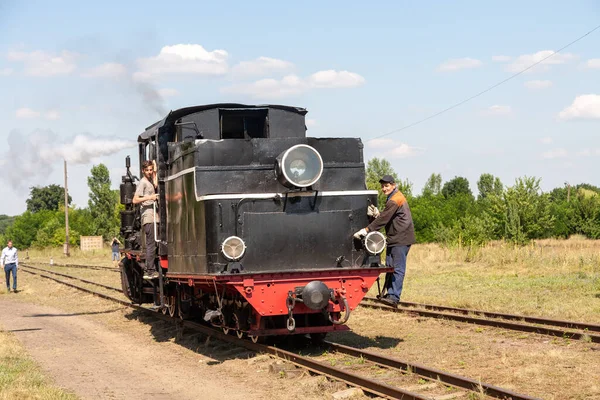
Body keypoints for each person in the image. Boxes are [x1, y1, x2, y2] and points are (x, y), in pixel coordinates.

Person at [354, 175, 415, 307]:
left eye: (386, 186)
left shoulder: (395, 199)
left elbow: (384, 220)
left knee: (397, 268)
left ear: (393, 185)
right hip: (395, 238)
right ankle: (389, 294)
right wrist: (378, 214)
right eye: (382, 186)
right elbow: (388, 217)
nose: (384, 188)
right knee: (390, 266)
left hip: (401, 239)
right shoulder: (393, 197)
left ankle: (394, 297)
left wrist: (366, 230)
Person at [133, 160, 160, 280]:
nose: (149, 172)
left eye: (150, 170)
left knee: (154, 243)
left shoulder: (149, 181)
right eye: (147, 170)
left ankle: (152, 269)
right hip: (148, 216)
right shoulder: (142, 182)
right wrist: (150, 197)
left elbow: (155, 184)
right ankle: (149, 271)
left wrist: (155, 170)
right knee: (151, 244)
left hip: (154, 215)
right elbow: (135, 200)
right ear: (143, 171)